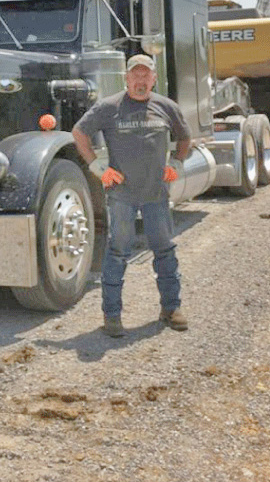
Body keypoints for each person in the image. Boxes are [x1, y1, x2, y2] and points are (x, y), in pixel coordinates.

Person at [72, 54, 191, 337]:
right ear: (126, 78)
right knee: (117, 252)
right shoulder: (108, 107)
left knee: (164, 251)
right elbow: (79, 133)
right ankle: (112, 316)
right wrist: (97, 166)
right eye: (135, 75)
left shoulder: (166, 107)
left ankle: (171, 308)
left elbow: (185, 138)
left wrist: (176, 163)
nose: (140, 79)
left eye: (145, 74)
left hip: (155, 195)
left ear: (154, 78)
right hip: (121, 195)